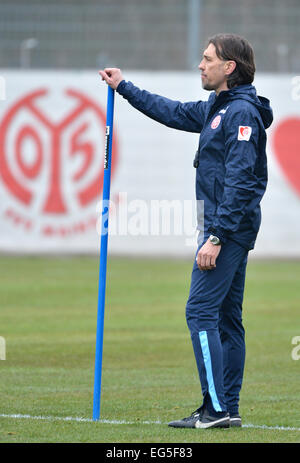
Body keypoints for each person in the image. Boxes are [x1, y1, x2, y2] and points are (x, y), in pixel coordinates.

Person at [99, 33, 273, 429]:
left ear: (229, 67)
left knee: (200, 311)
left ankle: (215, 409)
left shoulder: (241, 114)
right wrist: (124, 87)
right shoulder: (220, 107)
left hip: (226, 230)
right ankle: (226, 407)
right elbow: (174, 112)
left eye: (208, 59)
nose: (201, 64)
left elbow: (242, 180)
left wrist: (216, 236)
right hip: (226, 227)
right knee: (228, 318)